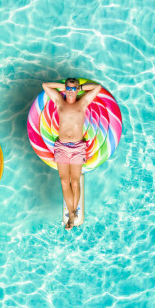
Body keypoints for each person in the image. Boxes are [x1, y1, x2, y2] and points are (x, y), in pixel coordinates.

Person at [41, 78, 102, 230]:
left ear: (77, 90)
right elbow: (45, 85)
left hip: (77, 147)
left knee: (75, 182)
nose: (70, 91)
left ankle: (73, 215)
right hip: (61, 146)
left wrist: (79, 87)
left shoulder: (82, 103)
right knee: (64, 181)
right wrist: (63, 86)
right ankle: (71, 213)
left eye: (73, 89)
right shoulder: (59, 101)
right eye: (68, 88)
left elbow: (97, 88)